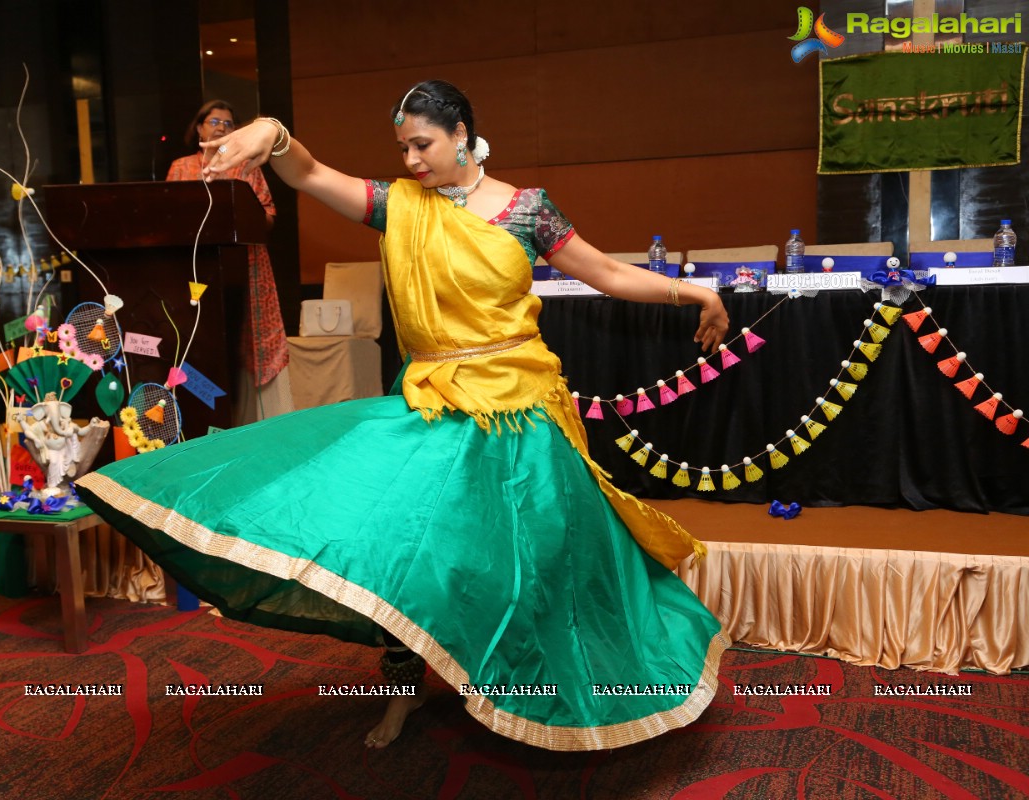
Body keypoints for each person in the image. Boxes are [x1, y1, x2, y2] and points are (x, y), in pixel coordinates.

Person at [78, 80, 731, 752]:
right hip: (434, 407)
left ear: (462, 135)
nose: (413, 159)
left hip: (522, 414)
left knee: (538, 563)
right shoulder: (398, 205)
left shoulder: (527, 210)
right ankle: (402, 690)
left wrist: (693, 294)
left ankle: (552, 687)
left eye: (423, 144)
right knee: (401, 554)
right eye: (403, 147)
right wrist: (269, 134)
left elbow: (606, 273)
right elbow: (308, 173)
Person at [167, 100, 292, 424]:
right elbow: (166, 214)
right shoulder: (180, 168)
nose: (221, 128)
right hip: (190, 269)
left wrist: (242, 213)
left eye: (228, 123)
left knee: (236, 347)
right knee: (197, 343)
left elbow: (268, 214)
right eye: (214, 122)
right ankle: (197, 419)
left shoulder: (247, 165)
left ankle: (240, 421)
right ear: (199, 127)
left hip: (240, 268)